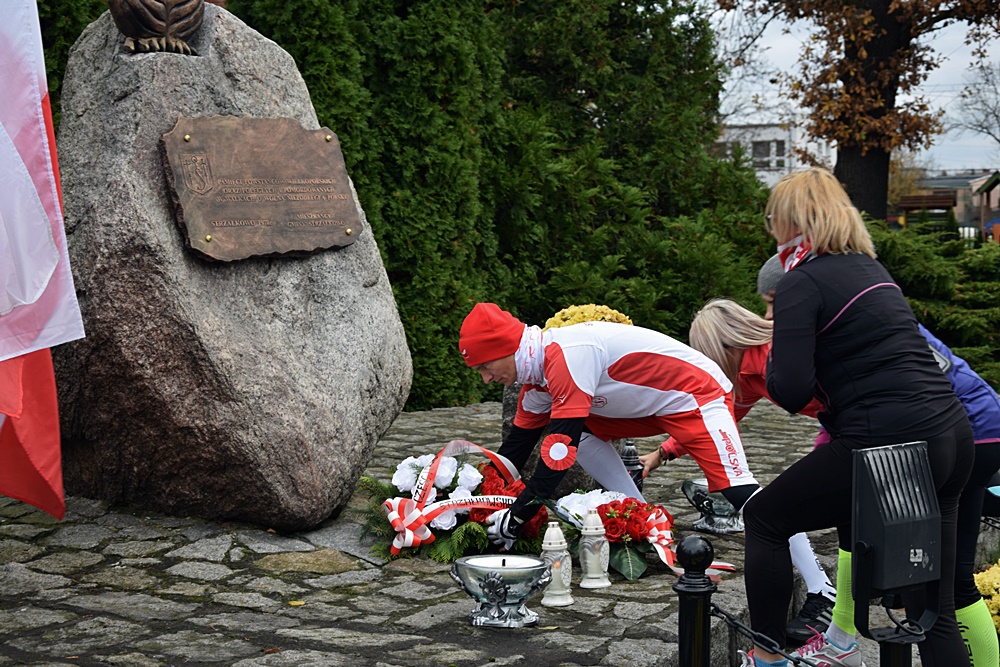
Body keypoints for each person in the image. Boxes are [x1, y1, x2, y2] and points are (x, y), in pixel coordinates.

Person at [742, 167, 974, 667]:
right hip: (951, 434)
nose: (770, 229)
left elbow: (791, 388)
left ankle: (767, 656)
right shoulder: (871, 268)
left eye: (770, 219)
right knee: (933, 607)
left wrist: (782, 340)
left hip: (888, 439)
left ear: (788, 219)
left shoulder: (800, 281)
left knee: (763, 518)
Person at [759, 254, 1000, 667]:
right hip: (977, 429)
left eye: (772, 302)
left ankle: (839, 640)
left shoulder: (841, 323)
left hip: (955, 433)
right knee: (944, 583)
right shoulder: (871, 314)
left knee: (932, 588)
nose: (769, 315)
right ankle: (841, 637)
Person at [457, 302, 760, 548]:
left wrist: (517, 515)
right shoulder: (535, 382)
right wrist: (468, 501)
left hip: (696, 395)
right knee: (586, 435)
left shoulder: (564, 355)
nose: (485, 378)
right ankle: (646, 516)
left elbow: (559, 455)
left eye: (485, 366)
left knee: (739, 492)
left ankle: (810, 580)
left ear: (506, 349)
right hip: (645, 406)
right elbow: (512, 453)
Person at [640, 298, 837, 644]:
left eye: (704, 352)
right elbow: (717, 423)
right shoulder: (743, 375)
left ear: (723, 344)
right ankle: (829, 594)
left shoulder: (778, 352)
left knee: (779, 508)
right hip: (841, 427)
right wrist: (662, 453)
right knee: (781, 507)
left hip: (858, 425)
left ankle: (825, 595)